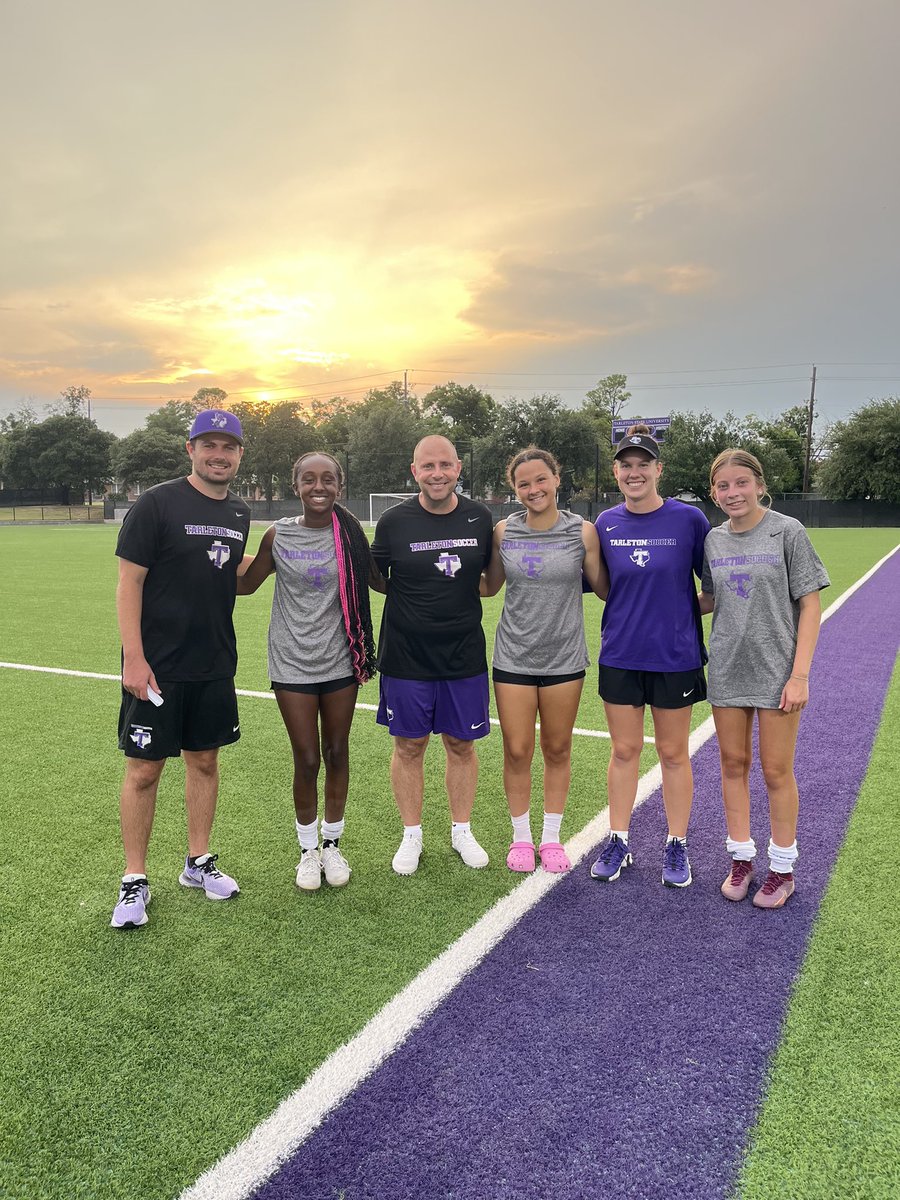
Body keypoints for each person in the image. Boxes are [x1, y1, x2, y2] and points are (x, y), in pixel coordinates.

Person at [110, 409, 251, 929]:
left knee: (205, 763)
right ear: (190, 449)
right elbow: (130, 582)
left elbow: (235, 579)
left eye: (228, 446)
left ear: (239, 455)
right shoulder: (158, 503)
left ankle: (197, 862)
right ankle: (134, 879)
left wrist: (275, 551)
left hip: (213, 664)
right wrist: (134, 657)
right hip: (158, 666)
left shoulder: (238, 513)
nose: (219, 454)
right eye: (208, 444)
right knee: (145, 770)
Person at [237, 452, 379, 891]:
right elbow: (245, 583)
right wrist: (205, 555)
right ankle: (307, 851)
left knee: (337, 751)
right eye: (309, 480)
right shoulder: (278, 535)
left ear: (340, 486)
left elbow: (383, 580)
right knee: (307, 758)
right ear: (295, 485)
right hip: (292, 660)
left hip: (342, 657)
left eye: (328, 480)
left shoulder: (352, 536)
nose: (319, 487)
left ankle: (333, 844)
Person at [699, 449, 829, 909]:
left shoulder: (786, 530)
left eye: (740, 483)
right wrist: (650, 597)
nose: (732, 493)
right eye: (722, 486)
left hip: (778, 672)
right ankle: (741, 859)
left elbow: (810, 605)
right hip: (729, 669)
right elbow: (709, 599)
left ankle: (782, 869)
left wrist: (800, 675)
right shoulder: (712, 540)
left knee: (776, 770)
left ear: (758, 484)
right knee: (733, 765)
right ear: (713, 492)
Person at [590, 424, 710, 888]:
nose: (634, 472)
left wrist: (677, 611)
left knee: (674, 753)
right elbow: (603, 587)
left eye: (644, 465)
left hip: (675, 656)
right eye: (626, 466)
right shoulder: (605, 523)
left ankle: (676, 845)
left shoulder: (689, 520)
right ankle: (618, 839)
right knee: (624, 750)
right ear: (617, 474)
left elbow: (711, 589)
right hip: (620, 653)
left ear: (659, 470)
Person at [371, 434, 494, 875]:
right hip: (406, 655)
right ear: (414, 471)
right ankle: (412, 835)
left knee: (461, 744)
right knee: (409, 745)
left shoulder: (480, 516)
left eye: (445, 465)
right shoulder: (393, 521)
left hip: (463, 654)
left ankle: (462, 830)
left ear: (458, 468)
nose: (437, 474)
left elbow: (491, 578)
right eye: (428, 466)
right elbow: (378, 576)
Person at [481, 448, 607, 873]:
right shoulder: (503, 532)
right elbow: (488, 586)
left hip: (565, 657)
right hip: (513, 655)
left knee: (557, 747)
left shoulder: (582, 532)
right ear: (513, 489)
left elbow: (607, 588)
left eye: (540, 480)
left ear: (556, 478)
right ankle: (521, 838)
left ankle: (551, 838)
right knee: (517, 750)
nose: (533, 489)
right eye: (523, 483)